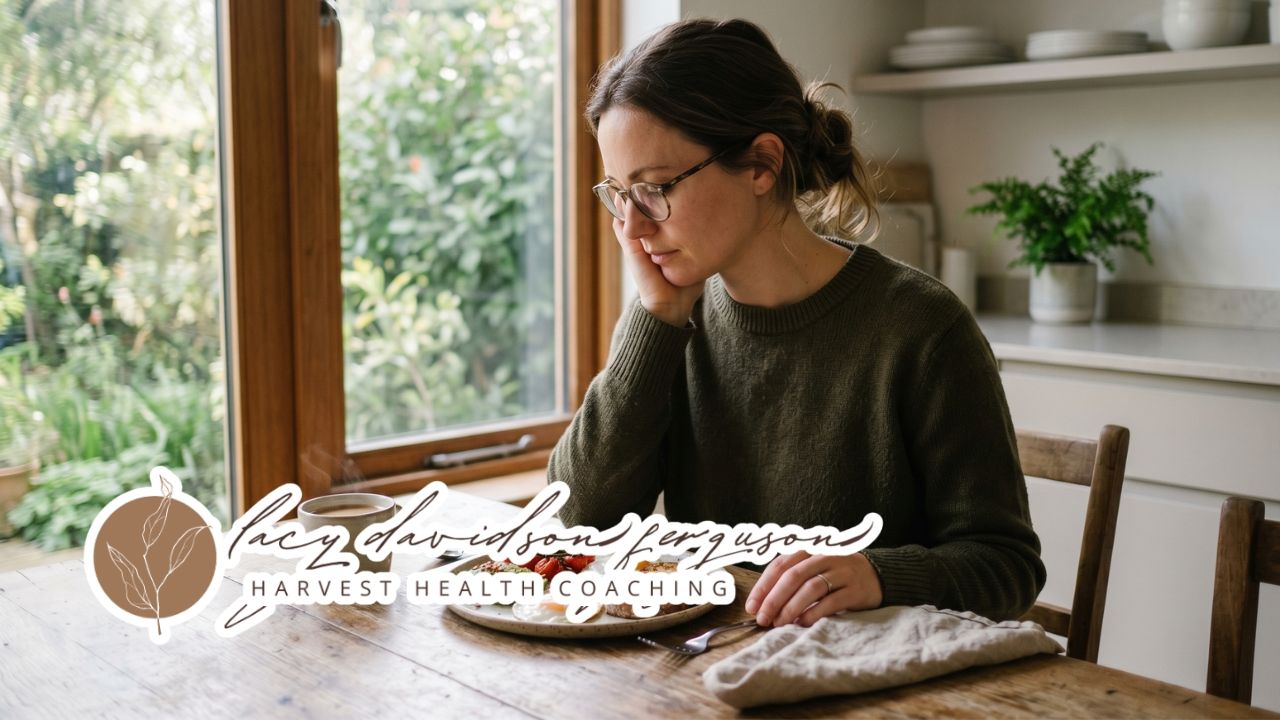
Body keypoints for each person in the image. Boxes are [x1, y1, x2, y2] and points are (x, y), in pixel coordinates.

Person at [548, 17, 1045, 627]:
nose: (634, 228)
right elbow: (577, 525)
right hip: (705, 680)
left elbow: (1007, 567)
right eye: (618, 195)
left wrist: (879, 575)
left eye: (654, 190)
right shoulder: (669, 319)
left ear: (761, 164)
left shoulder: (922, 329)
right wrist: (656, 321)